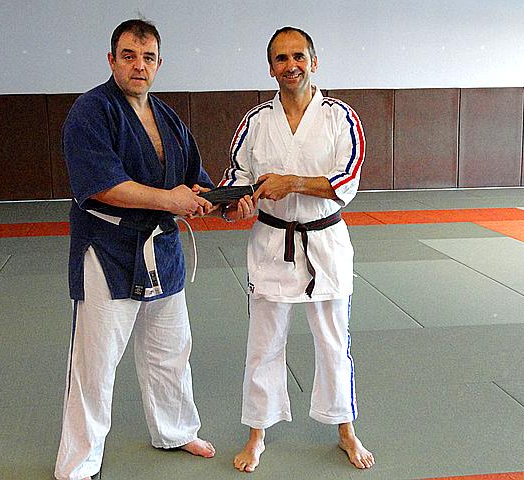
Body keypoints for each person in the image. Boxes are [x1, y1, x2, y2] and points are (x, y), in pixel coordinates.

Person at [54, 19, 216, 480]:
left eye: (148, 58)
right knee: (95, 363)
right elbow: (100, 185)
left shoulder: (169, 118)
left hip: (162, 248)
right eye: (129, 56)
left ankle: (175, 430)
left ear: (159, 63)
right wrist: (170, 200)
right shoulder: (91, 111)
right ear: (112, 60)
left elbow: (194, 179)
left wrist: (221, 201)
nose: (139, 66)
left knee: (171, 350)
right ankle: (78, 465)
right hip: (108, 248)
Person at [218, 26, 375, 472]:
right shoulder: (256, 121)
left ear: (314, 62)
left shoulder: (341, 117)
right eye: (282, 59)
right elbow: (237, 176)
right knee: (263, 343)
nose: (291, 66)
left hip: (325, 241)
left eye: (299, 56)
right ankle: (257, 434)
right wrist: (231, 204)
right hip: (271, 241)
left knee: (333, 342)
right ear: (271, 68)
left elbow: (347, 179)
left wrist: (293, 183)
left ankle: (345, 429)